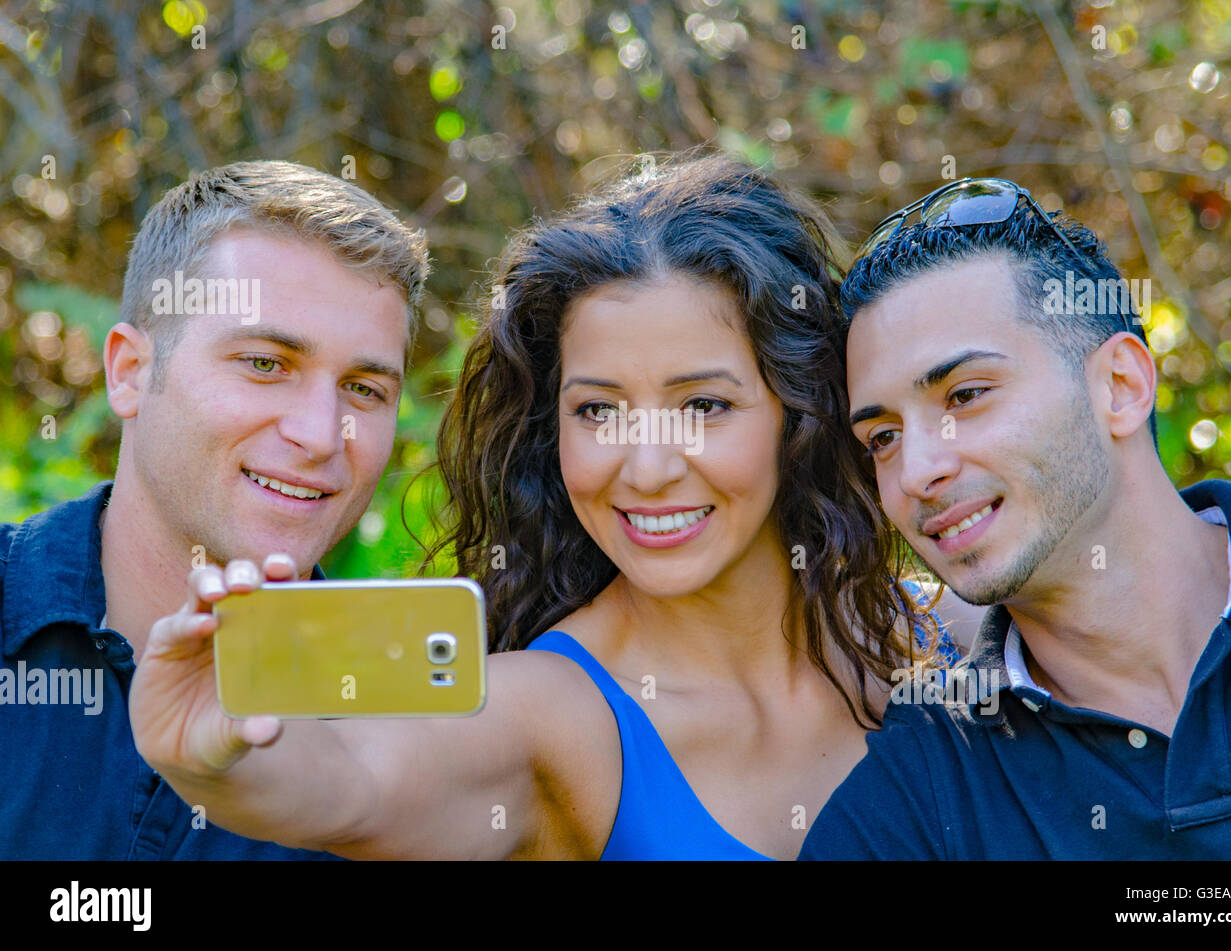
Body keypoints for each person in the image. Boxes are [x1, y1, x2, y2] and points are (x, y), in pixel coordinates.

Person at [129, 153, 974, 861]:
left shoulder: (951, 636)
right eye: (597, 410)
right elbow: (356, 782)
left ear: (801, 410)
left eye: (703, 407)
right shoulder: (550, 710)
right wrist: (216, 765)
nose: (645, 469)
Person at [800, 178, 1231, 859]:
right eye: (882, 437)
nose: (916, 472)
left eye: (966, 394)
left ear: (1119, 387)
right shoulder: (921, 802)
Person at [0, 160, 428, 859]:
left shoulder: (404, 735)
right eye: (265, 363)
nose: (321, 434)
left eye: (363, 389)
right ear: (131, 371)